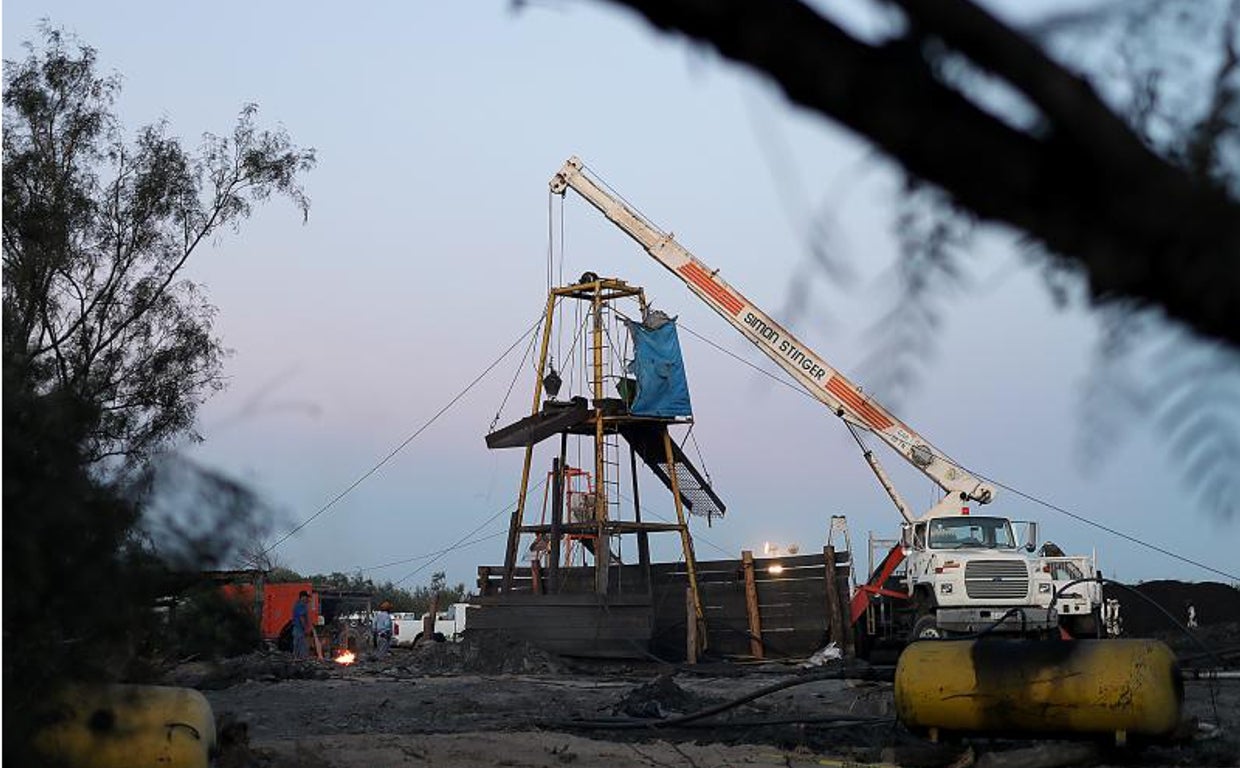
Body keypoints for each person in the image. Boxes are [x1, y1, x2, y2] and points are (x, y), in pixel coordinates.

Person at [291, 591, 311, 660]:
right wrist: (305, 629)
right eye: (306, 597)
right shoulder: (301, 605)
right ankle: (301, 660)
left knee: (297, 647)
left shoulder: (297, 604)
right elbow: (301, 618)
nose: (307, 599)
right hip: (299, 630)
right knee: (302, 647)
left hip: (297, 629)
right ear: (302, 597)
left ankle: (296, 659)